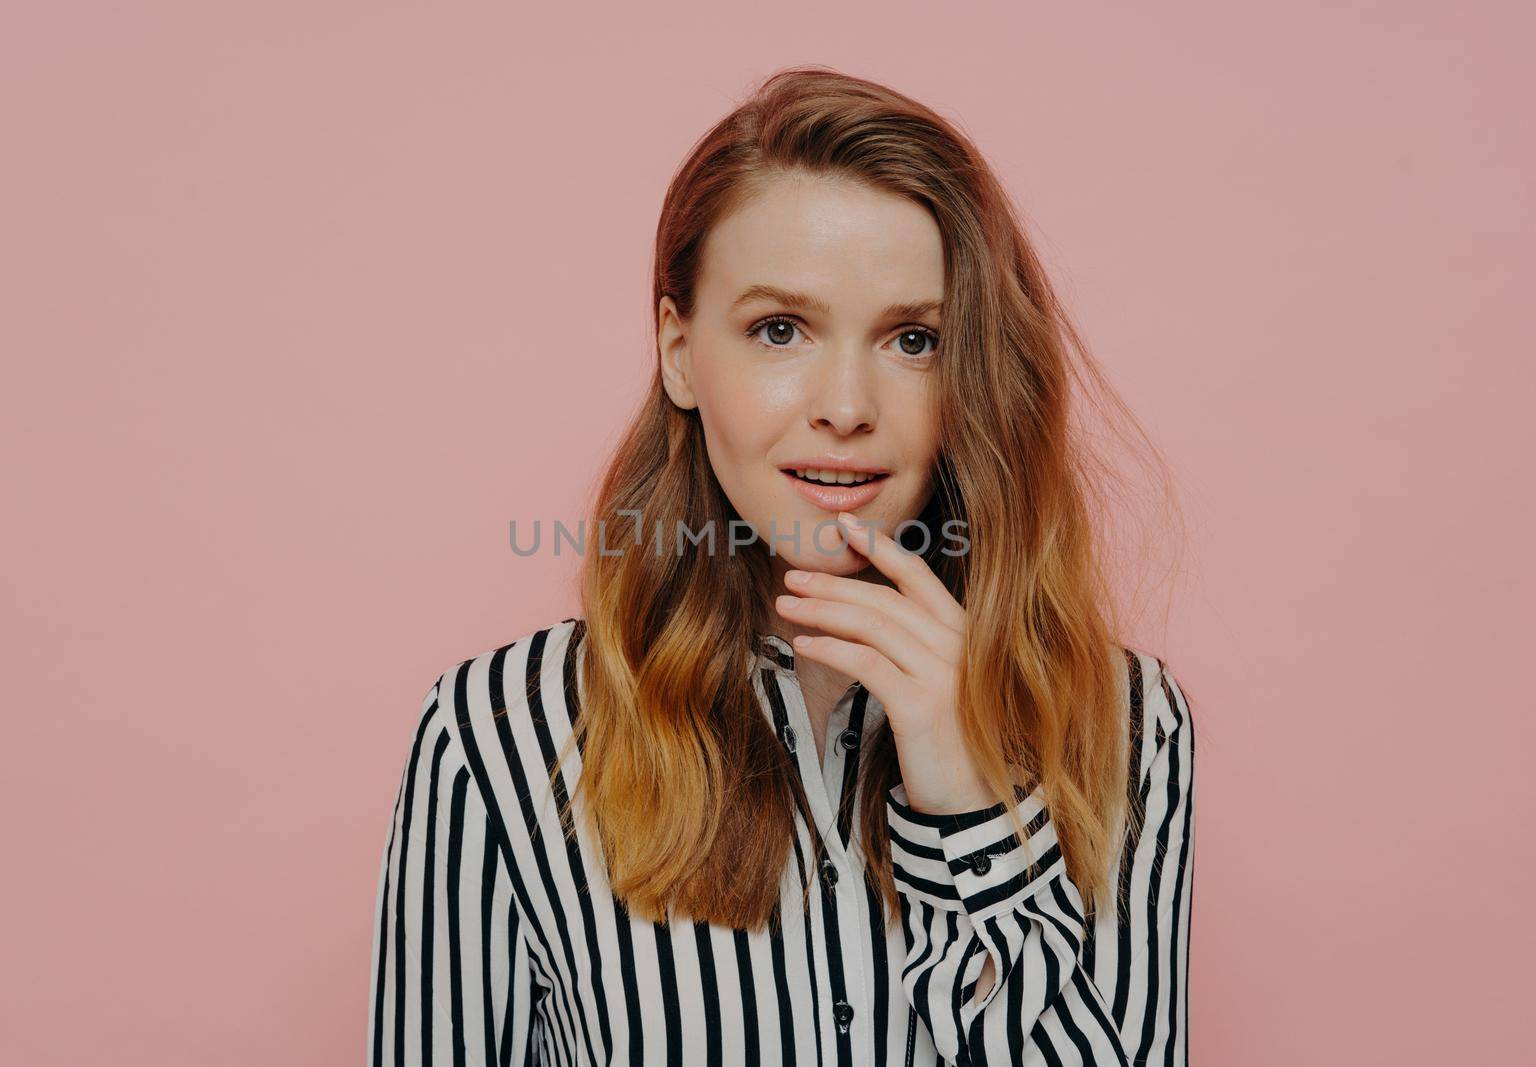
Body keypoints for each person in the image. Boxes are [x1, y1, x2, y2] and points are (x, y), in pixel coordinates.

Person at [367, 66, 1196, 1066]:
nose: (845, 404)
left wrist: (969, 802)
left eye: (913, 338)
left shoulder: (1123, 720)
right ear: (679, 351)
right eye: (779, 329)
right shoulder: (497, 735)